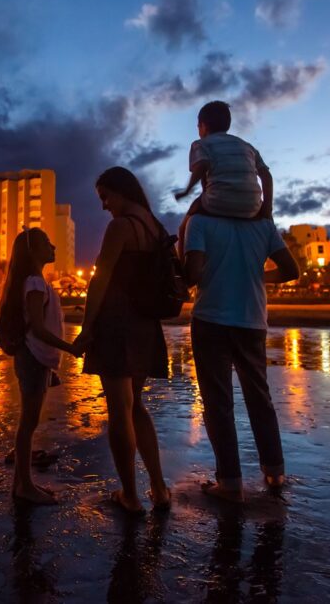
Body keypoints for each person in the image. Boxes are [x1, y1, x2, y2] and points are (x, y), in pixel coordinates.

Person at [73, 167, 172, 514]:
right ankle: (159, 488)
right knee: (137, 406)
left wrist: (86, 328)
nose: (103, 206)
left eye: (105, 197)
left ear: (121, 191)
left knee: (119, 411)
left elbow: (100, 280)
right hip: (146, 324)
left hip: (117, 323)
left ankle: (130, 495)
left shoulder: (120, 227)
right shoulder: (155, 227)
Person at [183, 210, 299, 502]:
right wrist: (256, 273)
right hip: (251, 320)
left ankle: (230, 482)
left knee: (217, 402)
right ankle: (275, 472)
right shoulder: (262, 224)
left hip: (210, 318)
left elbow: (192, 274)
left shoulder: (200, 221)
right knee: (260, 397)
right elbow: (290, 270)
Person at [0, 228, 79, 505]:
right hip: (33, 356)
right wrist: (71, 348)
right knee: (28, 423)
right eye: (47, 242)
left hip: (36, 357)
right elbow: (39, 330)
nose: (53, 246)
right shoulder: (35, 283)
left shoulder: (34, 281)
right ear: (33, 251)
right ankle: (24, 486)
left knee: (29, 421)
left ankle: (21, 482)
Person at [174, 100, 273, 255]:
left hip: (217, 201)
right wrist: (267, 209)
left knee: (183, 228)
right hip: (252, 206)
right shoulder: (247, 146)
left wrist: (186, 191)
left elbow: (202, 166)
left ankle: (184, 271)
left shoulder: (201, 144)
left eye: (198, 126)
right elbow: (266, 175)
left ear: (203, 126)